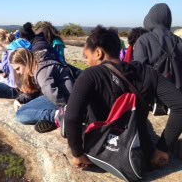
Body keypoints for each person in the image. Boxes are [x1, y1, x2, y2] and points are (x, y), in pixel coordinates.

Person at [64, 25, 182, 171]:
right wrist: (162, 148)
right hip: (139, 150)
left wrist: (77, 153)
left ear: (99, 53)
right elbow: (180, 106)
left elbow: (71, 117)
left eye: (87, 57)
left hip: (101, 150)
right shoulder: (147, 72)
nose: (87, 62)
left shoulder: (90, 75)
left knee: (58, 111)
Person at [10, 48, 75, 134]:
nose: (17, 72)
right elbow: (38, 90)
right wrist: (20, 99)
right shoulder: (40, 65)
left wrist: (69, 110)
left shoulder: (41, 69)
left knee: (21, 114)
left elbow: (52, 94)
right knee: (24, 110)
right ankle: (55, 119)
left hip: (65, 100)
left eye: (18, 68)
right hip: (62, 97)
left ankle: (58, 116)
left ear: (25, 62)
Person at [133, 3, 182, 90]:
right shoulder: (179, 41)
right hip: (178, 96)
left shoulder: (144, 41)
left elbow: (139, 73)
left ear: (150, 19)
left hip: (154, 96)